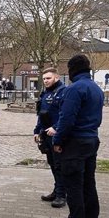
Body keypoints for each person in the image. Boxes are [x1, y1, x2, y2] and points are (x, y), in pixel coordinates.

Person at [48, 54, 104, 218]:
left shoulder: (74, 89)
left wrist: (58, 140)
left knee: (74, 187)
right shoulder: (96, 88)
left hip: (75, 143)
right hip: (91, 139)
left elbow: (67, 119)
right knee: (89, 185)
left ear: (73, 69)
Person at [34, 68, 66, 208]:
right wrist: (37, 131)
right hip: (46, 134)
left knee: (59, 165)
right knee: (53, 164)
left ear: (57, 78)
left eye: (49, 78)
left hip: (57, 134)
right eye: (44, 78)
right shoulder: (45, 93)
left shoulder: (63, 92)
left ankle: (61, 195)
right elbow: (41, 114)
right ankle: (57, 190)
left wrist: (57, 128)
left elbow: (67, 115)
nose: (46, 81)